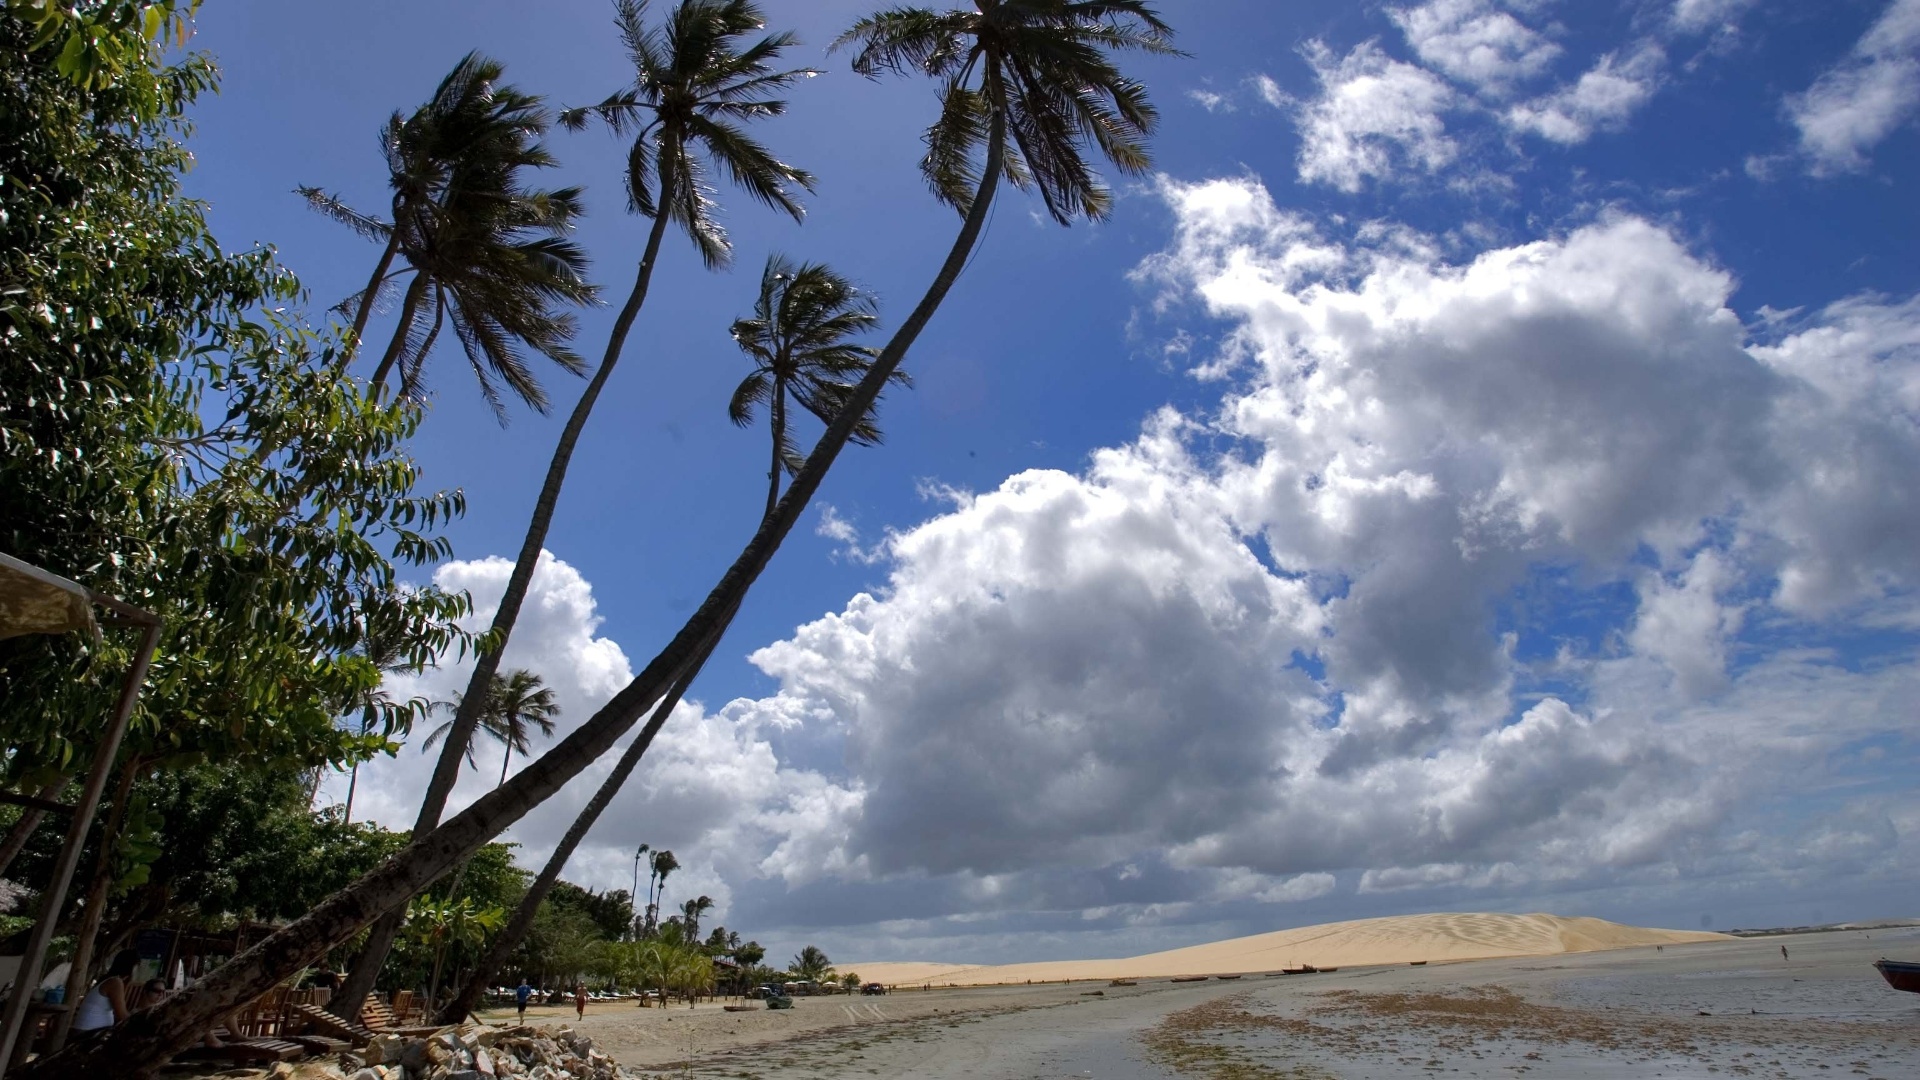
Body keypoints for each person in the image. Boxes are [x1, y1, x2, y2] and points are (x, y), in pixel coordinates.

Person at [72, 949, 141, 1034]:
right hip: (86, 1034)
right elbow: (122, 1016)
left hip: (89, 1031)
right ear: (133, 967)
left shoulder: (109, 979)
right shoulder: (115, 982)